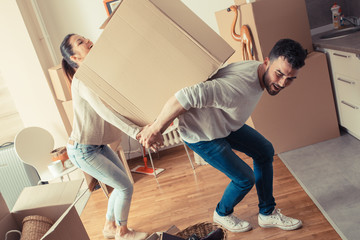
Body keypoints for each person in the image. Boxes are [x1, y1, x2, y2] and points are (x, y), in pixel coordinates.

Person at [138, 39, 307, 233]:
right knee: (244, 179)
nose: (283, 83)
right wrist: (156, 128)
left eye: (290, 78)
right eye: (279, 74)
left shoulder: (257, 69)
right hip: (203, 135)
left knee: (264, 151)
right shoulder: (236, 88)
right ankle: (222, 213)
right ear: (267, 62)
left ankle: (267, 214)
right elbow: (186, 96)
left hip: (223, 124)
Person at [60, 34, 148, 240]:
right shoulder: (83, 80)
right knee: (125, 186)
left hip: (95, 147)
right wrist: (136, 132)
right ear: (74, 58)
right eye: (80, 42)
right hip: (83, 149)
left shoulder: (92, 76)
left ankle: (110, 226)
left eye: (85, 38)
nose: (87, 41)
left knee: (121, 184)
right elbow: (105, 112)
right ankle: (123, 232)